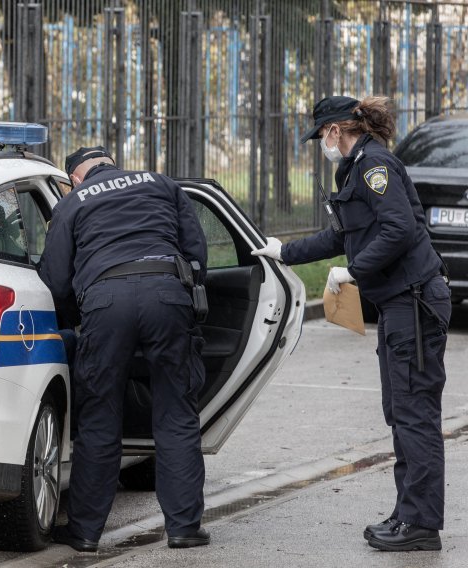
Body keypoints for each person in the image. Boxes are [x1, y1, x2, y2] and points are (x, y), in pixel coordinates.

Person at [253, 96, 450, 552]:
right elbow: (343, 234)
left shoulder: (373, 165)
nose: (322, 143)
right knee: (401, 413)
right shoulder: (357, 168)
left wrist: (355, 270)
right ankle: (408, 514)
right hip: (403, 305)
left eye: (322, 135)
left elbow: (398, 229)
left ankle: (421, 525)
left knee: (414, 414)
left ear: (336, 131)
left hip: (414, 304)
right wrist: (286, 251)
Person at [38, 146, 209, 552]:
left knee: (99, 417)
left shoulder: (73, 201)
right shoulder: (160, 183)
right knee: (177, 413)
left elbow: (56, 280)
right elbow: (197, 253)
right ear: (112, 163)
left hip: (105, 301)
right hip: (168, 294)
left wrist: (73, 319)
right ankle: (184, 528)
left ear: (76, 178)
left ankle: (84, 533)